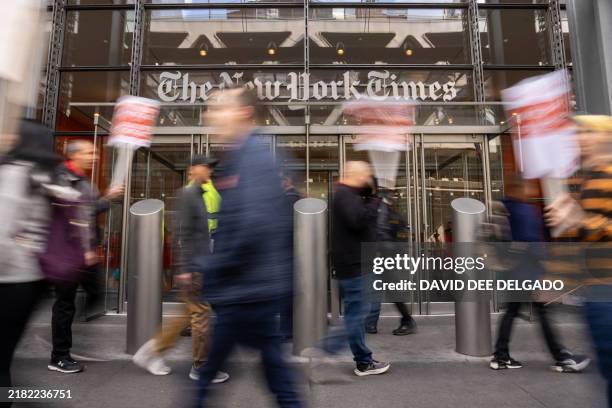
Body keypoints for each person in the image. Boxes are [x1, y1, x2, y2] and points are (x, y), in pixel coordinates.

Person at [193, 88, 304, 408]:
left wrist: (213, 268)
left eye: (218, 108)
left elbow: (253, 225)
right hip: (252, 289)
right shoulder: (243, 154)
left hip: (246, 291)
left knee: (207, 380)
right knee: (276, 377)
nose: (209, 115)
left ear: (242, 113)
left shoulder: (253, 155)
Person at [133, 155, 229, 384]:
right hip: (194, 266)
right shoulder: (188, 195)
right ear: (193, 169)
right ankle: (200, 366)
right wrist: (185, 268)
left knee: (187, 314)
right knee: (201, 315)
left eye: (210, 168)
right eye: (205, 167)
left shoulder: (200, 194)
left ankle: (150, 353)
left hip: (200, 264)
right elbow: (182, 233)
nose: (209, 172)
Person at [0, 119, 79, 391]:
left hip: (9, 277)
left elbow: (2, 232)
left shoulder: (15, 173)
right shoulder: (47, 175)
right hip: (34, 276)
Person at [490, 174, 590, 372]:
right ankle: (562, 358)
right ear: (522, 189)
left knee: (512, 312)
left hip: (514, 272)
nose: (531, 191)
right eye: (528, 187)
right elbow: (532, 243)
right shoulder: (525, 210)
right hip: (529, 273)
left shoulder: (506, 208)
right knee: (542, 313)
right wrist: (545, 267)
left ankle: (500, 356)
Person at [546, 115, 612, 405]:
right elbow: (578, 240)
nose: (578, 138)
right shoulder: (581, 179)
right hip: (596, 293)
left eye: (585, 132)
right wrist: (556, 276)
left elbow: (593, 227)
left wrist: (580, 219)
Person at [304, 161, 390, 377]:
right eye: (367, 173)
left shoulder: (349, 194)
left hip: (356, 263)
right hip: (355, 265)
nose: (369, 177)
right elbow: (358, 221)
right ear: (356, 174)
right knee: (355, 316)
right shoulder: (344, 195)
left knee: (356, 315)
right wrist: (377, 201)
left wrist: (371, 195)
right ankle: (326, 351)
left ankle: (363, 361)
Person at [48, 140, 123, 374]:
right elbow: (73, 214)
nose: (94, 156)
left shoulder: (83, 179)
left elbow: (89, 211)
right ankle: (59, 356)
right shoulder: (63, 178)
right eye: (90, 152)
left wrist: (108, 198)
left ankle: (82, 315)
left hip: (83, 251)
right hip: (68, 252)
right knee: (64, 305)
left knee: (95, 291)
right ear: (74, 155)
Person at [365, 189, 417, 336]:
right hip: (383, 257)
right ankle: (371, 324)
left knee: (388, 291)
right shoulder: (391, 214)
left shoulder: (386, 214)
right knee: (382, 290)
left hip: (385, 257)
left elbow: (391, 236)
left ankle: (407, 320)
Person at [279, 171, 301, 342]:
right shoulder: (298, 198)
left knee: (287, 294)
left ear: (287, 181)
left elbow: (285, 228)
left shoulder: (288, 199)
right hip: (296, 252)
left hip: (287, 253)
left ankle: (287, 330)